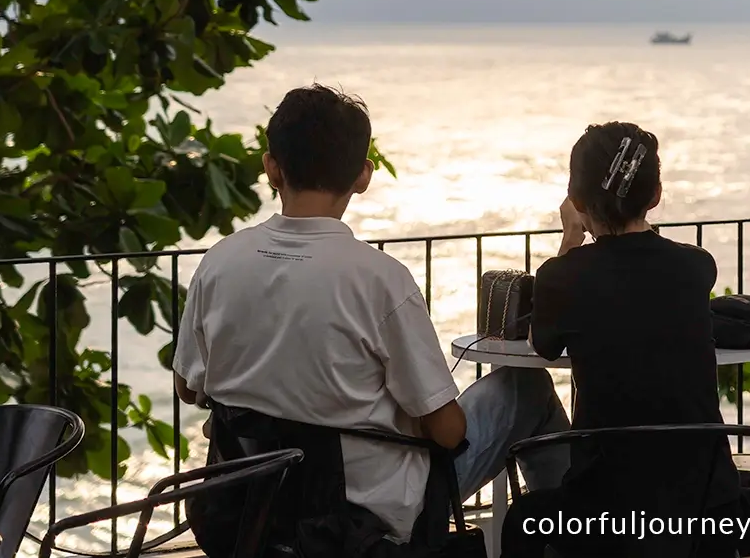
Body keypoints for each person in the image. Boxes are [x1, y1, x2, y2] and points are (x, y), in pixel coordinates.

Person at [173, 84, 569, 546]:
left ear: (271, 167)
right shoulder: (380, 281)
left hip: (248, 507)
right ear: (363, 175)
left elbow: (186, 387)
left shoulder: (220, 262)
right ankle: (585, 538)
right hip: (362, 521)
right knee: (526, 389)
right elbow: (447, 431)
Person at [504, 122, 740, 558]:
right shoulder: (696, 267)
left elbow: (542, 342)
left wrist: (572, 237)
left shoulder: (564, 277)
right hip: (708, 509)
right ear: (654, 195)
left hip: (609, 515)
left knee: (523, 521)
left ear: (575, 201)